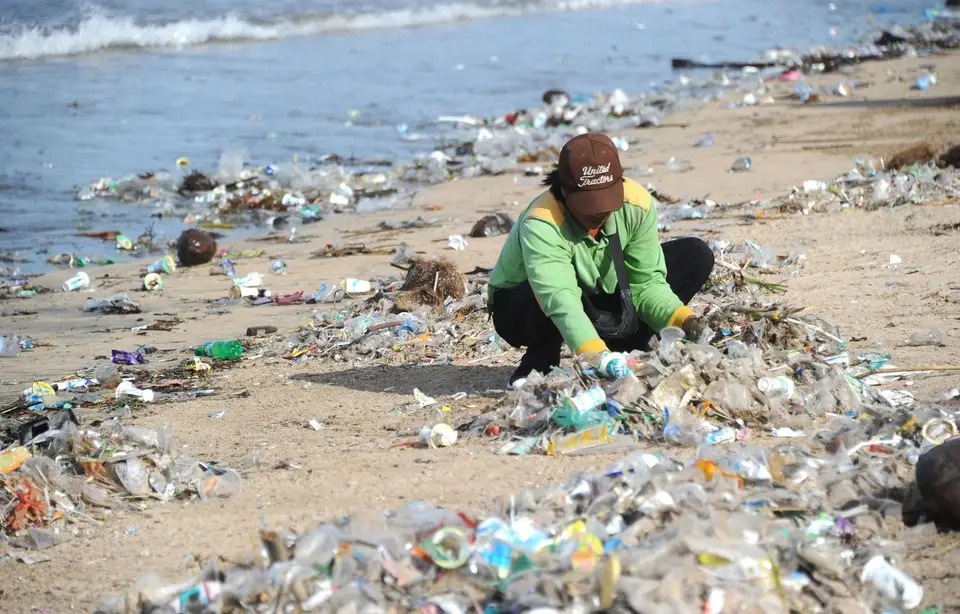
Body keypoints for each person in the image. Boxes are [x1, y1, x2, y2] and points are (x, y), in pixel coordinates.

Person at [488, 132, 714, 386]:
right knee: (539, 290)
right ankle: (539, 363)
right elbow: (560, 298)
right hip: (526, 305)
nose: (600, 213)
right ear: (564, 190)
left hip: (596, 294)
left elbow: (647, 283)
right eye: (589, 204)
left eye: (607, 201)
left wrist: (684, 321)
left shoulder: (636, 203)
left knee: (694, 255)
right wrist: (595, 357)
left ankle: (627, 342)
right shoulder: (542, 222)